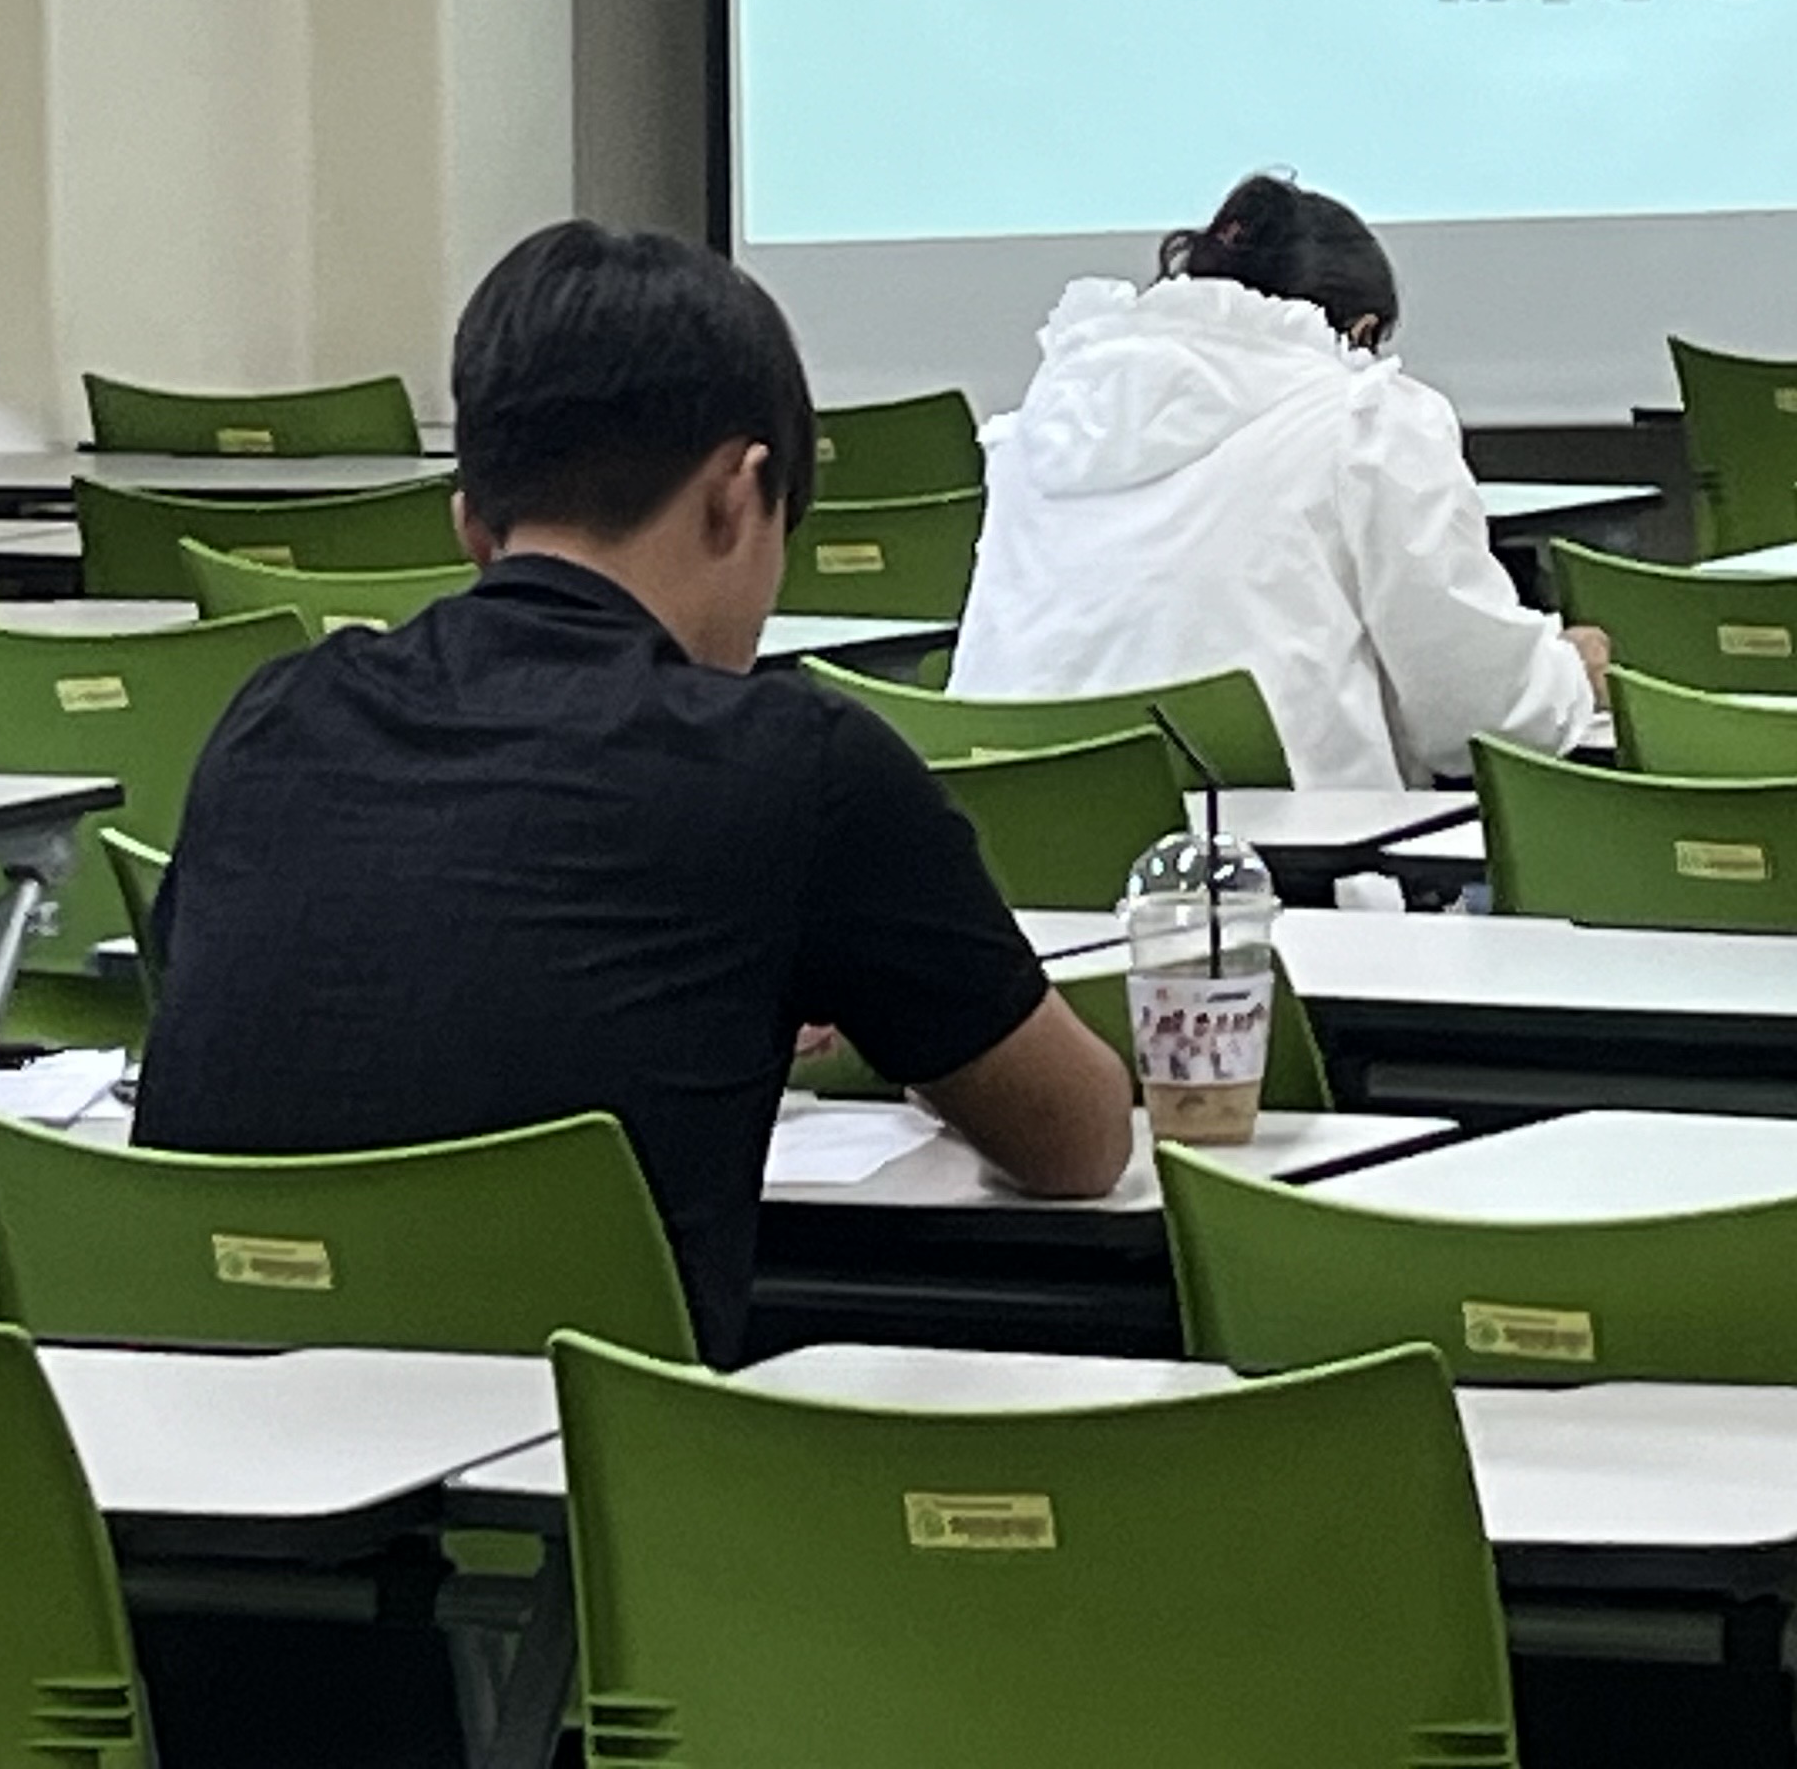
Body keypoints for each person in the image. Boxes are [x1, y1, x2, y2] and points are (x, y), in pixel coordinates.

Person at [135, 220, 1129, 1364]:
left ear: (472, 526)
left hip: (188, 1419)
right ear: (739, 496)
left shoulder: (274, 717)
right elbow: (1079, 1141)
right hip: (591, 1440)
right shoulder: (799, 766)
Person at [948, 172, 1607, 792]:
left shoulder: (1045, 419)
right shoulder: (1365, 417)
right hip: (1271, 858)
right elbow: (1473, 713)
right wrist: (1567, 678)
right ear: (1362, 331)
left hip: (1014, 841)